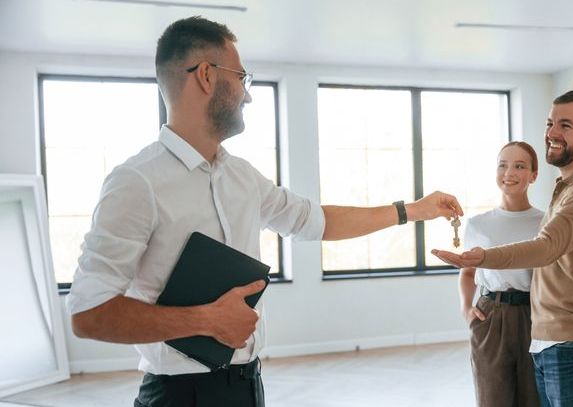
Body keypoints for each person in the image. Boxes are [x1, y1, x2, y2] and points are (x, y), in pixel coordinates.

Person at [67, 16, 463, 407]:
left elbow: (316, 221)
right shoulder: (136, 182)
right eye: (242, 78)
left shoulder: (241, 176)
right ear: (206, 75)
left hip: (247, 386)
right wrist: (205, 320)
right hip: (179, 396)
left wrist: (412, 210)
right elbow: (88, 313)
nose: (248, 94)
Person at [435, 90, 573, 407]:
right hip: (552, 336)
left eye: (565, 125)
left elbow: (547, 247)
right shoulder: (566, 190)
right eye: (550, 123)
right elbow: (565, 256)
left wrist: (483, 257)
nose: (552, 133)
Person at [460, 141, 543, 407]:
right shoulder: (478, 224)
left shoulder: (546, 222)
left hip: (535, 316)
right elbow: (467, 273)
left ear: (533, 175)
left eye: (520, 166)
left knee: (533, 398)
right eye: (503, 165)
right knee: (492, 398)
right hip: (489, 315)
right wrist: (466, 308)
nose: (509, 172)